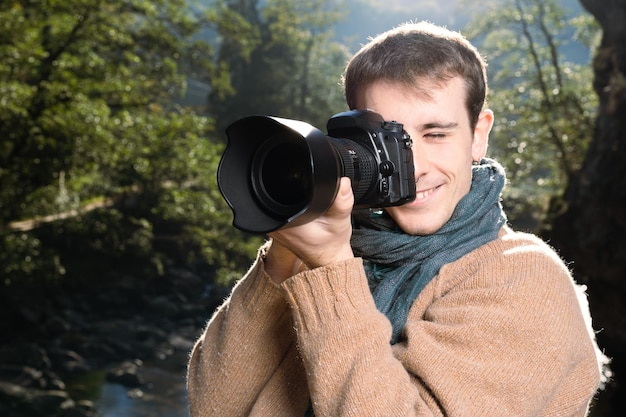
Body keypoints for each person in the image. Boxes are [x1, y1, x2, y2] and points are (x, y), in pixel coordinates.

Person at [186, 21, 606, 416]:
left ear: (479, 135)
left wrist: (331, 267)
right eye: (388, 142)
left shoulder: (525, 279)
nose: (415, 167)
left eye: (436, 134)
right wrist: (284, 251)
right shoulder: (327, 256)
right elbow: (214, 406)